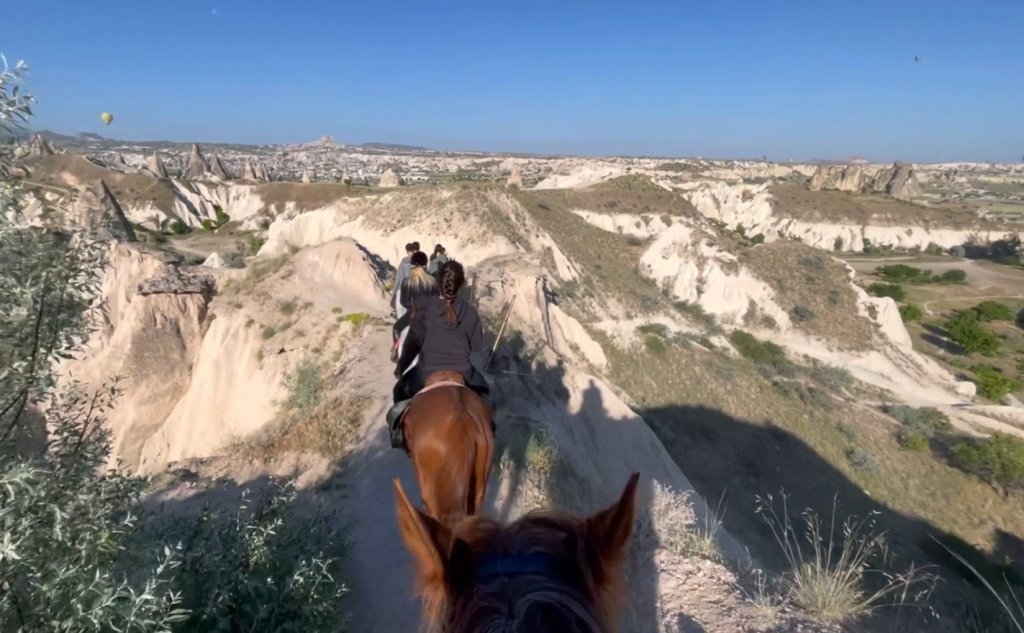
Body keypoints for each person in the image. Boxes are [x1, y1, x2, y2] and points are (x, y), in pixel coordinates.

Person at [387, 260, 491, 445]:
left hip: (427, 371)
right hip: (464, 371)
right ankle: (490, 434)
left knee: (399, 392)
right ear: (461, 284)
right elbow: (476, 347)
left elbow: (412, 344)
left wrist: (401, 368)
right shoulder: (470, 311)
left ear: (438, 282)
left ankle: (398, 435)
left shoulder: (424, 310)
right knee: (487, 398)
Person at [391, 251, 436, 359]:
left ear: (412, 264)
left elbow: (404, 302)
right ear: (425, 264)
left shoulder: (407, 281)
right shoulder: (432, 281)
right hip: (430, 316)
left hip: (413, 314)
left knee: (396, 328)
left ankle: (396, 353)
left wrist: (411, 307)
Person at [392, 241, 419, 318]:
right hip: (413, 289)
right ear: (413, 250)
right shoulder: (417, 263)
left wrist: (394, 292)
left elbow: (398, 278)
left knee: (400, 311)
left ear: (407, 251)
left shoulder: (403, 263)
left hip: (401, 289)